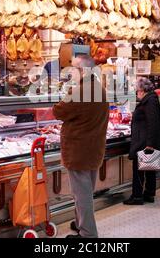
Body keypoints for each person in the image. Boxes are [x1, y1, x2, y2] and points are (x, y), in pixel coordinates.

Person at [52, 55, 109, 238]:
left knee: (82, 196)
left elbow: (58, 111)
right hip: (94, 150)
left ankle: (88, 235)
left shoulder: (81, 91)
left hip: (78, 152)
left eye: (73, 69)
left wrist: (67, 92)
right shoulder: (99, 88)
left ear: (83, 71)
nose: (71, 73)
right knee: (85, 192)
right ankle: (80, 224)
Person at [124, 77, 160, 205]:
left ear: (142, 90)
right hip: (146, 139)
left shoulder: (149, 101)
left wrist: (150, 144)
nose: (136, 93)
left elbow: (153, 123)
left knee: (139, 170)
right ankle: (149, 194)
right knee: (149, 168)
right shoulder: (150, 99)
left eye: (137, 91)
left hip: (144, 141)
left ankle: (137, 196)